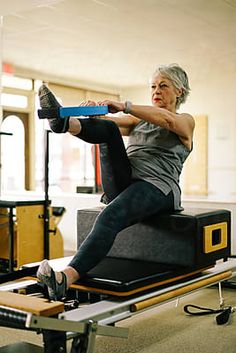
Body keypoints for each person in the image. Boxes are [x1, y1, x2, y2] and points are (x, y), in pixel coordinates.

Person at [37, 63, 195, 301]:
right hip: (126, 180)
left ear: (179, 91)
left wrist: (125, 105)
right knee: (109, 129)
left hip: (158, 187)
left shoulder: (185, 120)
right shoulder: (137, 122)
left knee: (109, 216)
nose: (156, 91)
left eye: (163, 86)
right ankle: (62, 123)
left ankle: (66, 278)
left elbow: (169, 121)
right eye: (153, 86)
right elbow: (106, 125)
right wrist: (86, 115)